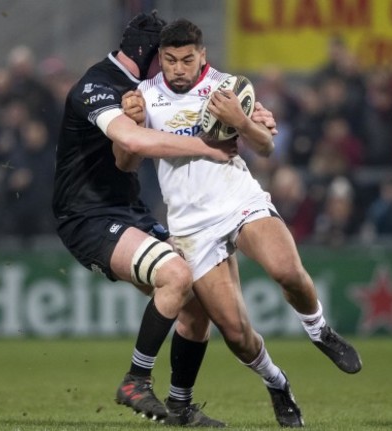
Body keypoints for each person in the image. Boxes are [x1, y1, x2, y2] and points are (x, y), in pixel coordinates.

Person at [119, 18, 362, 428]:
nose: (178, 69)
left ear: (203, 57)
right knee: (236, 334)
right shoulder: (143, 97)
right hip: (191, 225)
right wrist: (130, 125)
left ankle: (320, 331)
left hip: (239, 200)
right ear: (160, 58)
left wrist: (242, 120)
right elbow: (124, 162)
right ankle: (277, 382)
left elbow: (265, 147)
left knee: (287, 271)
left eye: (187, 60)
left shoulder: (230, 88)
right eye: (170, 60)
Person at [51, 11, 238, 422]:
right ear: (150, 55)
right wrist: (207, 148)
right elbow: (133, 140)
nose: (173, 70)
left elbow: (127, 163)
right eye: (166, 59)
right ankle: (135, 379)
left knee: (195, 301)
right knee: (175, 275)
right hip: (88, 216)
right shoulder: (96, 86)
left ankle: (181, 404)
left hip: (126, 209)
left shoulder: (139, 91)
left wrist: (251, 120)